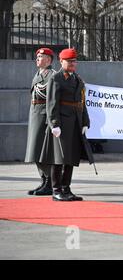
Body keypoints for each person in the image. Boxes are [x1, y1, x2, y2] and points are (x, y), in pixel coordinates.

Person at [40, 48, 92, 201]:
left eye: (74, 61)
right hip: (62, 122)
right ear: (61, 62)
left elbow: (82, 102)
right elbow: (52, 103)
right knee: (59, 157)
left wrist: (84, 121)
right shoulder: (56, 78)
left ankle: (66, 188)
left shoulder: (77, 79)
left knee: (71, 157)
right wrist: (54, 124)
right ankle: (56, 190)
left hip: (75, 121)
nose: (72, 64)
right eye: (69, 61)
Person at [24, 48, 56, 196]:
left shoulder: (52, 75)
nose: (37, 59)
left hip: (44, 118)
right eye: (37, 56)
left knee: (43, 152)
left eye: (41, 57)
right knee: (35, 151)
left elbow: (53, 101)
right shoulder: (37, 75)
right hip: (35, 115)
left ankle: (50, 182)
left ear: (49, 60)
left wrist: (52, 122)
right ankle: (44, 180)